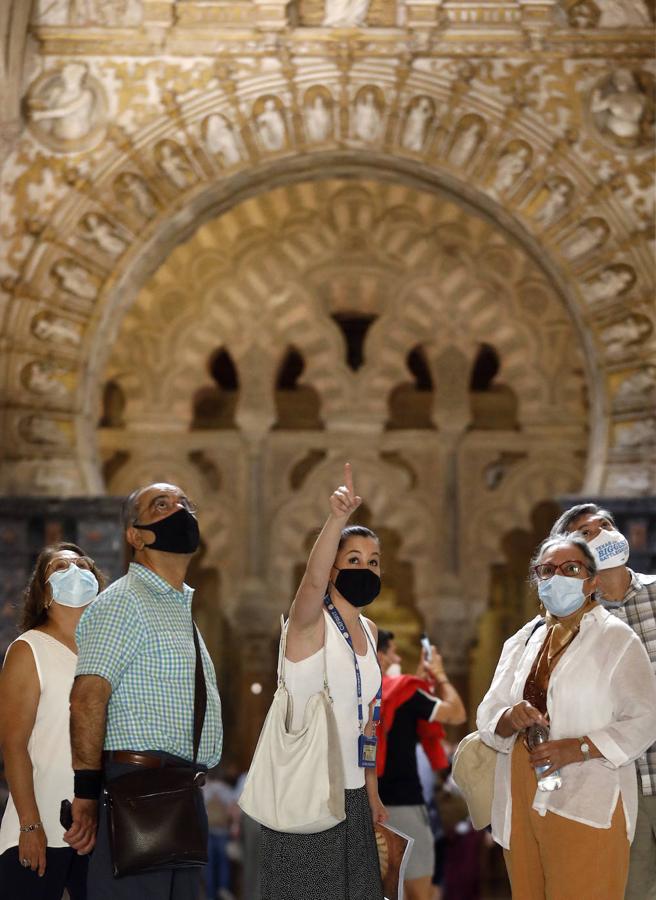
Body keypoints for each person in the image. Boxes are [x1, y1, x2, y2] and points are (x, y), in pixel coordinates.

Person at [476, 534, 656, 899]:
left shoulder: (616, 639)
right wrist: (509, 717)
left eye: (570, 568)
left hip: (588, 796)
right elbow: (488, 713)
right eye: (546, 570)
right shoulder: (523, 639)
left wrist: (578, 748)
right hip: (520, 792)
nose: (556, 577)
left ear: (591, 581)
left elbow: (644, 718)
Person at [68, 482, 223, 900]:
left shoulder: (175, 607)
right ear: (136, 535)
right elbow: (87, 697)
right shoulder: (124, 600)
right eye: (162, 505)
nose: (180, 511)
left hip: (181, 792)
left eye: (185, 504)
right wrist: (86, 791)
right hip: (138, 791)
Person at [260, 462, 386, 900]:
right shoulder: (308, 624)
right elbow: (311, 582)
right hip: (308, 791)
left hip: (353, 797)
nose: (365, 569)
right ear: (332, 568)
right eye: (353, 560)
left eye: (373, 562)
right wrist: (337, 519)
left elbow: (369, 721)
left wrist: (371, 793)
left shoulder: (369, 632)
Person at [551, 503, 656, 900]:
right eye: (588, 531)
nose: (603, 532)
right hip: (619, 781)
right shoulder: (575, 624)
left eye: (607, 525)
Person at [0, 542, 104, 899]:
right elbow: (13, 745)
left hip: (95, 830)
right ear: (44, 592)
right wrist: (31, 824)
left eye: (81, 564)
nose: (74, 571)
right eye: (60, 567)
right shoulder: (29, 649)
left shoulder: (105, 650)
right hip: (39, 823)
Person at [376, 631, 465, 900]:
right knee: (417, 892)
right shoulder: (404, 692)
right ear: (379, 656)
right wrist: (439, 675)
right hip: (404, 807)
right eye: (392, 651)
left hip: (367, 805)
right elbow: (457, 712)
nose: (397, 657)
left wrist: (417, 682)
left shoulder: (359, 692)